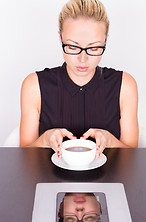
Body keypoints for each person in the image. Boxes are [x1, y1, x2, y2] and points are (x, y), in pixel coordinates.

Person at [20, 0, 138, 159]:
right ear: (60, 38)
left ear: (105, 40)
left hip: (111, 181)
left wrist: (110, 140)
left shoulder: (125, 85)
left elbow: (134, 156)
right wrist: (46, 139)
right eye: (72, 47)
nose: (83, 59)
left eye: (94, 48)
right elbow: (23, 154)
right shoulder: (34, 86)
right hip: (48, 181)